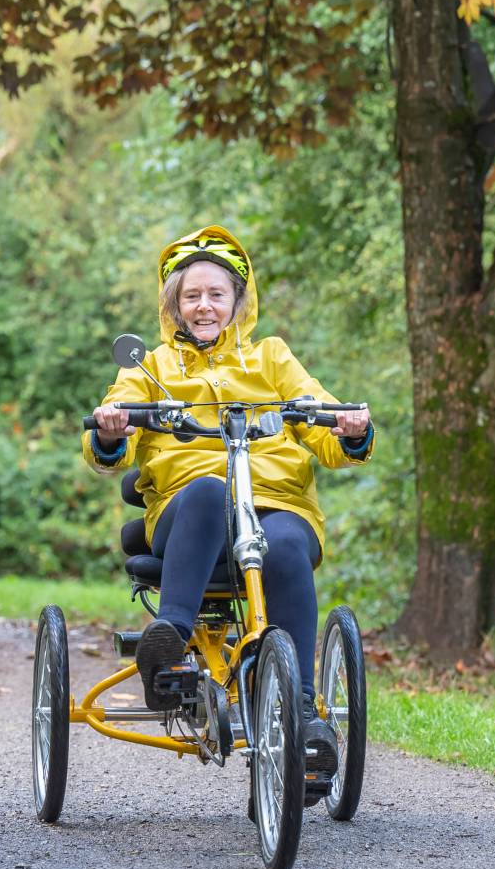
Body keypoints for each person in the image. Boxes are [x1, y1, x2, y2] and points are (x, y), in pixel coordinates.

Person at [83, 225, 373, 782]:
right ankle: (168, 641)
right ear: (174, 305)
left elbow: (321, 421)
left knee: (287, 543)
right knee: (209, 490)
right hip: (188, 511)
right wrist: (111, 429)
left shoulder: (272, 358)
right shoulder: (151, 369)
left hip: (273, 505)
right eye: (191, 296)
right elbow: (109, 444)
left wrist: (349, 427)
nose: (204, 306)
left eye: (216, 294)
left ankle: (305, 717)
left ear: (239, 301)